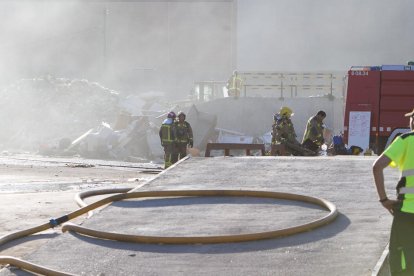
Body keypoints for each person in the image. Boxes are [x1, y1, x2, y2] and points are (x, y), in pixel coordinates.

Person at [373, 108, 414, 275]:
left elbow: (377, 167)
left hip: (406, 213)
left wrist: (384, 200)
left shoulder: (405, 140)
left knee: (403, 261)